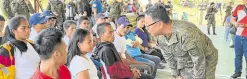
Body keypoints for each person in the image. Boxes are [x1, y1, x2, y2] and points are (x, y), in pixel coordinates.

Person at [145, 4, 218, 79]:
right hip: (184, 58)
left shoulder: (186, 33)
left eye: (148, 25)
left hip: (206, 58)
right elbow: (168, 56)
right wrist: (176, 75)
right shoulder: (159, 35)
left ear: (159, 24)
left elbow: (199, 61)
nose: (146, 28)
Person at [230, 1, 247, 78]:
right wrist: (235, 23)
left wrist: (245, 25)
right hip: (238, 36)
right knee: (237, 55)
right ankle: (237, 72)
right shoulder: (239, 7)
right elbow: (232, 19)